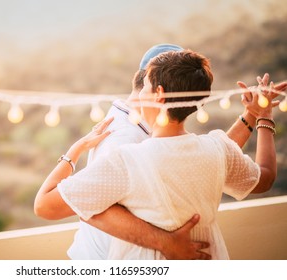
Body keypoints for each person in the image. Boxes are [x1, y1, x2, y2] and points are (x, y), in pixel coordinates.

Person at [34, 49, 280, 259]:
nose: (140, 94)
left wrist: (73, 151)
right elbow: (266, 178)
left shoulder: (128, 161)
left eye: (146, 85)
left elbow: (45, 206)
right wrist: (263, 116)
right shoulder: (217, 147)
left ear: (159, 93)